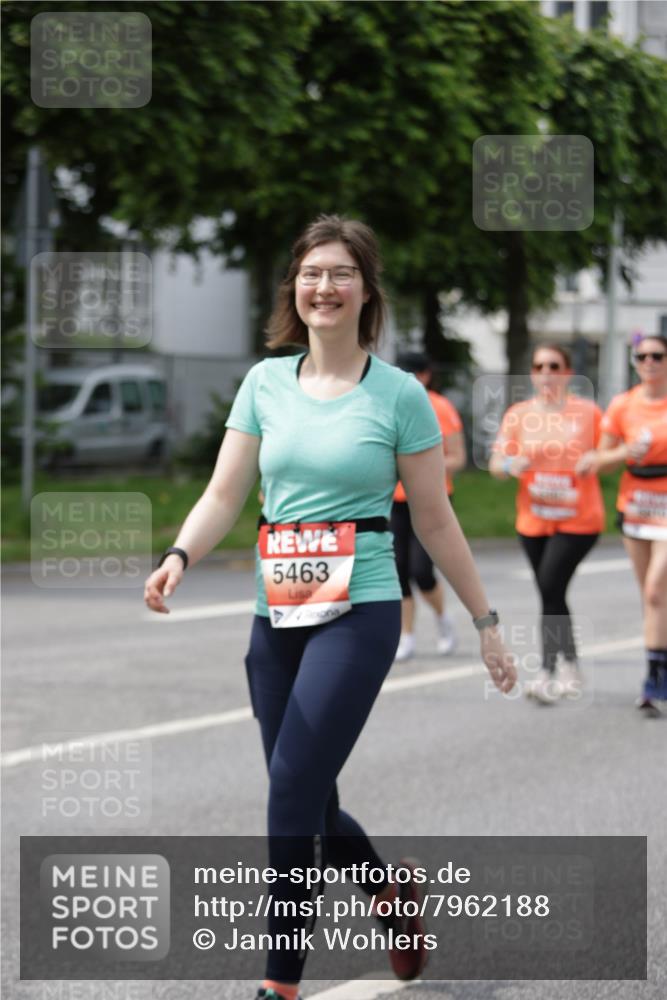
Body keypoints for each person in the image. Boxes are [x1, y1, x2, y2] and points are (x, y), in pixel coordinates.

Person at [144, 215, 516, 1000]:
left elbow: (436, 519)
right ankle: (390, 895)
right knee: (310, 796)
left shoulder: (399, 394)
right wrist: (178, 555)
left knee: (288, 790)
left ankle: (279, 984)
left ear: (366, 291)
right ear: (294, 289)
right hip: (275, 612)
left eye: (341, 273)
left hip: (360, 607)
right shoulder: (264, 383)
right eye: (311, 273)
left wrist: (485, 625)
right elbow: (224, 493)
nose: (325, 286)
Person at [489, 343, 605, 705]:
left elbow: (611, 452)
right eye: (539, 366)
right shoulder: (519, 415)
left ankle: (548, 671)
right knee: (552, 593)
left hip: (578, 519)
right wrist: (511, 465)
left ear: (567, 372)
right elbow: (495, 464)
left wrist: (596, 458)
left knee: (551, 585)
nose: (546, 373)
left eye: (554, 366)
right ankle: (570, 666)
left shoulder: (587, 413)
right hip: (534, 519)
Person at [580, 333, 667, 717]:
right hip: (636, 507)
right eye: (642, 356)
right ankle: (658, 666)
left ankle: (654, 680)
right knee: (651, 596)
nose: (649, 362)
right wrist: (625, 452)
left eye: (657, 356)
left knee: (656, 591)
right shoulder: (623, 405)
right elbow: (601, 461)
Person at [391, 352, 466, 661]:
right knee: (398, 570)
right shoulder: (390, 404)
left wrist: (421, 467)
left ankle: (442, 618)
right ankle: (406, 635)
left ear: (425, 376)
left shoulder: (441, 407)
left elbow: (458, 458)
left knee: (421, 571)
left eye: (412, 374)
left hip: (432, 498)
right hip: (395, 501)